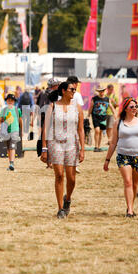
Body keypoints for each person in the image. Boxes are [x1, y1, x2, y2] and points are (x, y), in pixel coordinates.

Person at [103, 97, 138, 217]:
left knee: (135, 184)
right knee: (128, 182)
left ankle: (130, 206)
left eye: (136, 106)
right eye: (131, 106)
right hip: (123, 156)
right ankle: (130, 210)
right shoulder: (118, 123)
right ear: (125, 108)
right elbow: (113, 143)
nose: (134, 109)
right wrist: (107, 160)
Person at [41, 81, 85, 219]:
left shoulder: (77, 108)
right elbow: (46, 128)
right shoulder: (53, 106)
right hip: (55, 143)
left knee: (71, 178)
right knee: (59, 175)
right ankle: (60, 208)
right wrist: (44, 148)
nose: (74, 91)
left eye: (75, 89)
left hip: (72, 144)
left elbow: (81, 129)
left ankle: (68, 198)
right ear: (64, 91)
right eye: (72, 89)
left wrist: (83, 149)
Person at [36, 78, 60, 168]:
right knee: (47, 138)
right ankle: (49, 162)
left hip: (48, 116)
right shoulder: (46, 94)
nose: (58, 86)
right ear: (53, 86)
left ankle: (50, 162)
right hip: (46, 116)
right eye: (57, 85)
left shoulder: (50, 93)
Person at [0, 93, 22, 171]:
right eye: (9, 100)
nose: (10, 101)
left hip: (14, 130)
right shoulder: (4, 110)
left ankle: (12, 163)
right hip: (6, 131)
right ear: (7, 101)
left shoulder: (17, 110)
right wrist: (0, 126)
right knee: (8, 147)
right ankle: (10, 163)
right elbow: (0, 119)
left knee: (12, 146)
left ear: (14, 101)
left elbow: (20, 120)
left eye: (12, 100)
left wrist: (21, 129)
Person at [88, 87, 114, 152]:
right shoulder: (94, 99)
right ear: (98, 92)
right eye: (100, 91)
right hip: (95, 116)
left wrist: (115, 115)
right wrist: (88, 114)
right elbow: (91, 106)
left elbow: (111, 107)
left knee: (101, 132)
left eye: (102, 91)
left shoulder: (107, 99)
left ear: (104, 91)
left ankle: (98, 147)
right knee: (97, 130)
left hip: (103, 117)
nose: (101, 92)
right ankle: (96, 146)